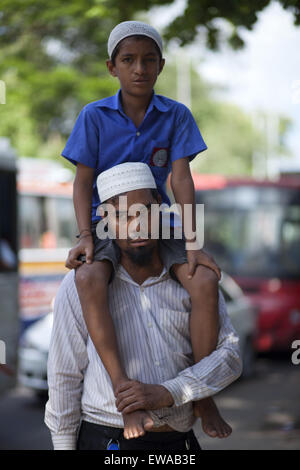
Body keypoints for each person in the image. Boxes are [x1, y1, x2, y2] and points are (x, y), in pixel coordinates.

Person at [62, 21, 224, 438]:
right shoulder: (93, 116)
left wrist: (193, 243)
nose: (140, 68)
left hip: (159, 224)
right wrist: (84, 236)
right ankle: (123, 393)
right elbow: (82, 181)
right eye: (129, 60)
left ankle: (201, 395)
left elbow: (182, 179)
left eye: (149, 60)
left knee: (203, 281)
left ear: (161, 65)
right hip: (107, 225)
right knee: (90, 277)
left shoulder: (176, 115)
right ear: (112, 67)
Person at [44, 163, 242, 451]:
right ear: (107, 219)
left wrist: (168, 393)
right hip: (106, 438)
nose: (138, 226)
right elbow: (64, 375)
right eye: (123, 216)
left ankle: (204, 403)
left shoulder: (191, 279)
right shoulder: (80, 285)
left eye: (146, 212)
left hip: (179, 441)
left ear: (160, 206)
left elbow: (231, 356)